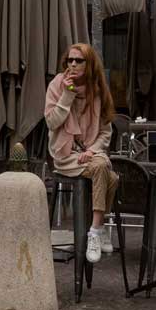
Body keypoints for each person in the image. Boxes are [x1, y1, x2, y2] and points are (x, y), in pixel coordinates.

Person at [45, 42, 116, 264]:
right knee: (108, 174)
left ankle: (95, 229)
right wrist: (66, 95)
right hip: (65, 154)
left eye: (79, 60)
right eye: (70, 60)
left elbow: (106, 132)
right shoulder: (57, 84)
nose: (73, 64)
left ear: (90, 64)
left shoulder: (98, 89)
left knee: (108, 174)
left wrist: (92, 150)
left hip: (91, 154)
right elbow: (51, 122)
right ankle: (97, 229)